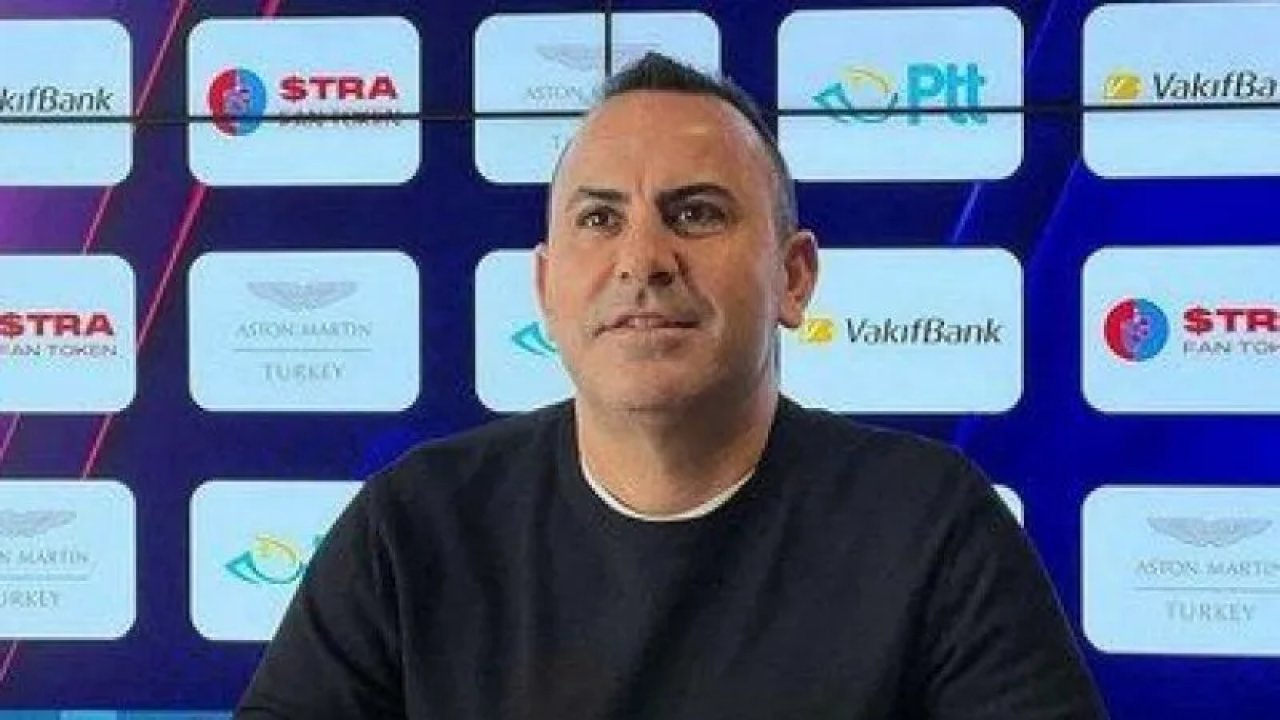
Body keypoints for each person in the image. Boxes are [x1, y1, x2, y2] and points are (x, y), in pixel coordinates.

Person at [236, 53, 1107, 719]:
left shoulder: (929, 525)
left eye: (696, 213)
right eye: (599, 218)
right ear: (545, 287)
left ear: (793, 277)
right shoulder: (413, 525)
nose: (643, 260)